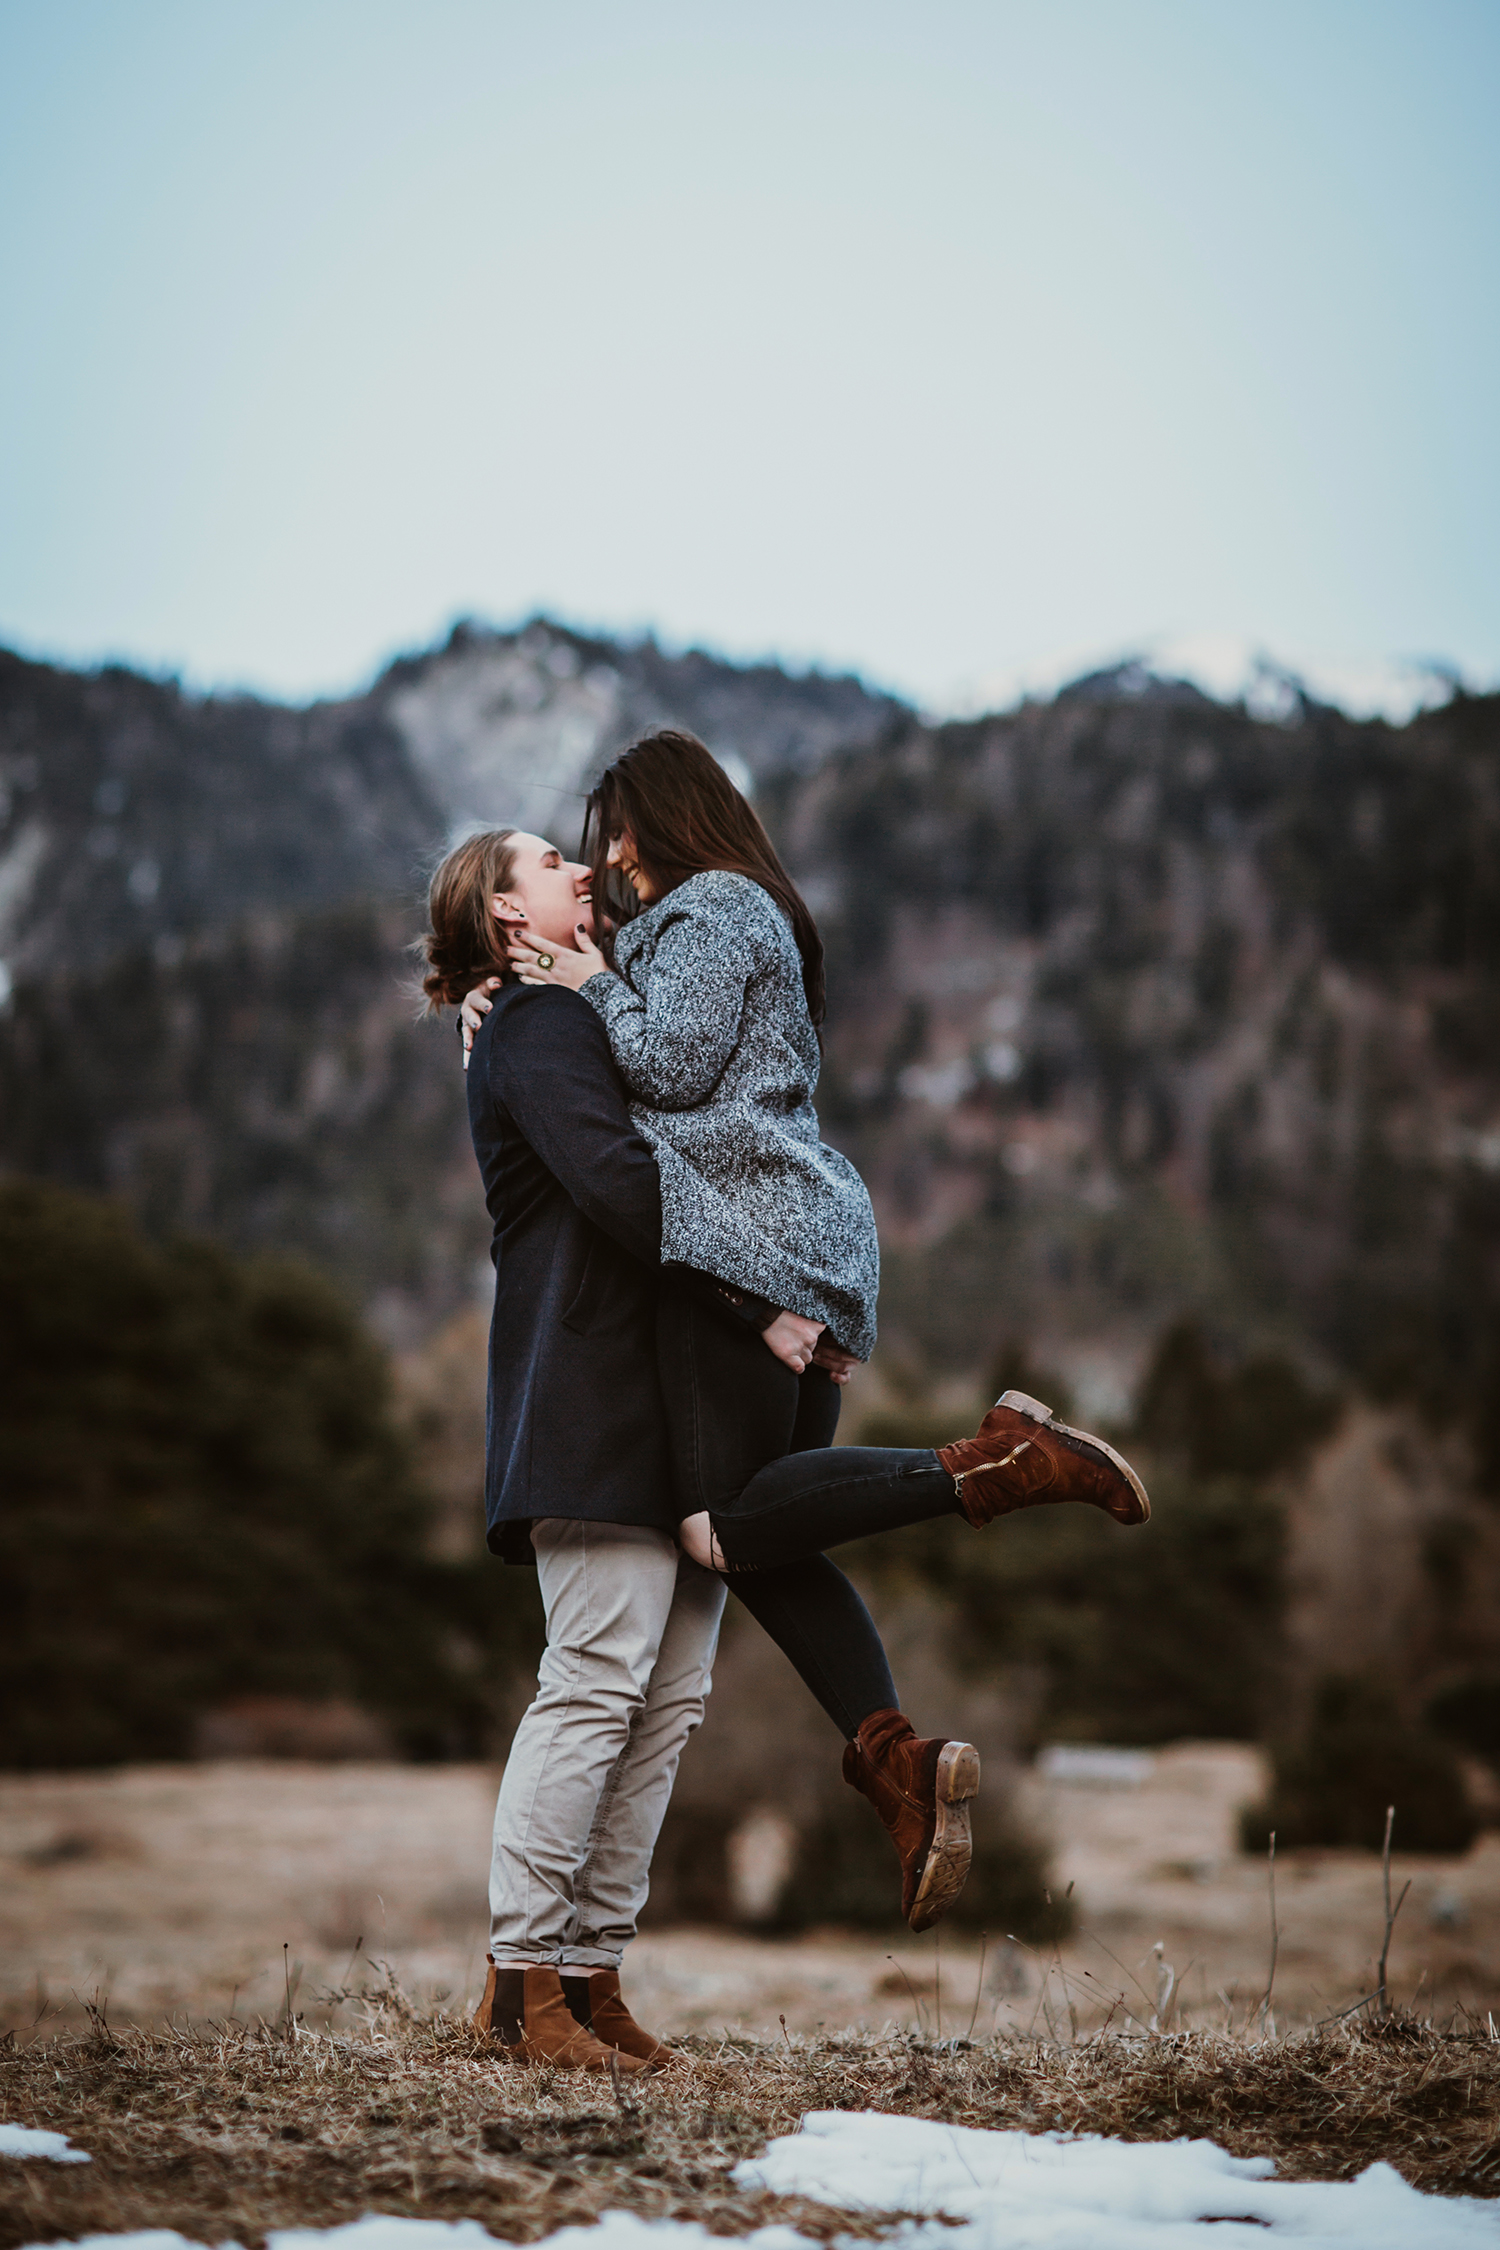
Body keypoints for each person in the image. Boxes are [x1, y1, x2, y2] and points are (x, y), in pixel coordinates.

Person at [461, 735, 1151, 1948]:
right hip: (782, 1242)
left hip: (754, 1247)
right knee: (765, 1538)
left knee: (723, 1526)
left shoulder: (719, 907)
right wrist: (509, 996)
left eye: (618, 832)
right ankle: (896, 1760)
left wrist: (580, 983)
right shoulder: (694, 926)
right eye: (585, 849)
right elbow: (627, 1037)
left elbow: (665, 1064)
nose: (609, 860)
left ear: (667, 819)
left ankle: (994, 1462)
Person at [422, 825, 970, 2076]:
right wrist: (765, 1299)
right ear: (506, 916)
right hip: (589, 1409)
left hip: (663, 1413)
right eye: (551, 864)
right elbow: (623, 1180)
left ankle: (591, 1978)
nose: (584, 871)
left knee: (665, 1704)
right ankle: (519, 1987)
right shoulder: (535, 1025)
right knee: (595, 1683)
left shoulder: (566, 1012)